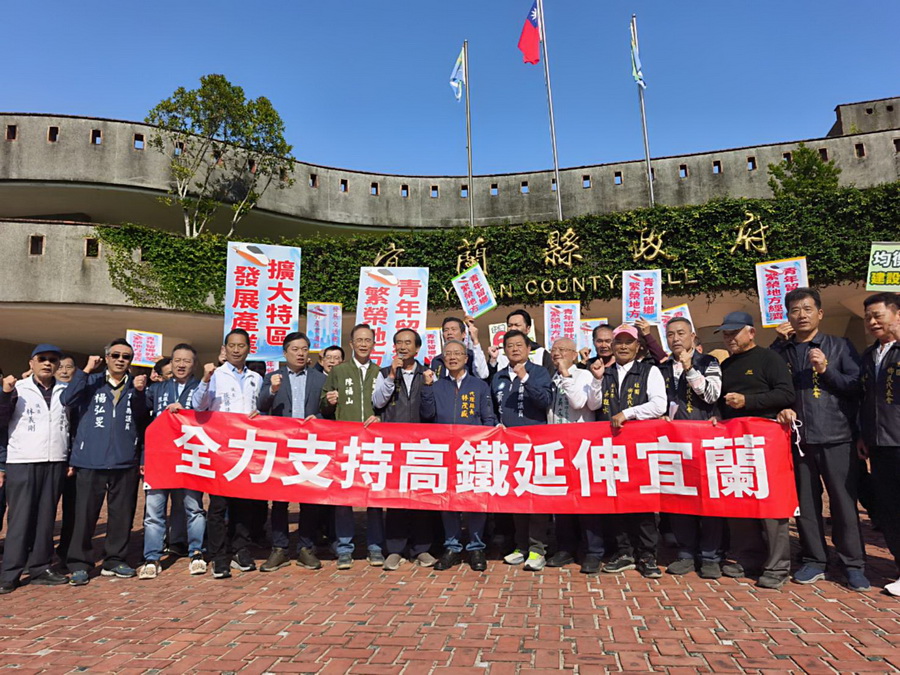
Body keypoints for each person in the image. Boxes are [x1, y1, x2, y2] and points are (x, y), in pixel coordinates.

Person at [771, 288, 868, 591]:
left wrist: (825, 370)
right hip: (798, 440)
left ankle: (853, 563)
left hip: (836, 435)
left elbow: (855, 386)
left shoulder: (840, 346)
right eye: (795, 310)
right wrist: (781, 408)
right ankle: (814, 559)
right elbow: (770, 386)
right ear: (788, 317)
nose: (801, 315)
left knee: (843, 503)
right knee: (806, 504)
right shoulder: (782, 351)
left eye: (807, 309)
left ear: (820, 313)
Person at [715, 311, 795, 590]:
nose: (729, 338)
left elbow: (786, 394)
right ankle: (747, 556)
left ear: (751, 332)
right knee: (739, 498)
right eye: (726, 334)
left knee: (771, 505)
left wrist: (747, 401)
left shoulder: (769, 358)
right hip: (735, 442)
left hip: (767, 442)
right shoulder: (727, 365)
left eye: (734, 333)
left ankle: (778, 566)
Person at [62, 339, 150, 585]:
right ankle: (79, 563)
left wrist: (140, 392)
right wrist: (85, 370)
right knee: (84, 515)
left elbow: (144, 419)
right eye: (116, 355)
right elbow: (67, 400)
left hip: (125, 460)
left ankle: (115, 559)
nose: (121, 360)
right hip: (90, 459)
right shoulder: (90, 382)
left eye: (126, 356)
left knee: (122, 515)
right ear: (107, 357)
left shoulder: (136, 385)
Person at [595, 324, 668, 578]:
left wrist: (629, 413)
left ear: (638, 347)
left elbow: (659, 404)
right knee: (616, 499)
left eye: (629, 342)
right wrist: (596, 379)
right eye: (619, 342)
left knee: (643, 500)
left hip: (640, 445)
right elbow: (592, 404)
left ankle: (647, 554)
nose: (623, 346)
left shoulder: (649, 371)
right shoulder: (604, 372)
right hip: (610, 445)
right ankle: (624, 552)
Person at [192, 329, 263, 579]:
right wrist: (204, 379)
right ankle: (218, 555)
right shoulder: (215, 375)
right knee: (218, 506)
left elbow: (259, 409)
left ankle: (239, 550)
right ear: (224, 348)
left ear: (248, 349)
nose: (236, 350)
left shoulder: (256, 378)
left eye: (241, 345)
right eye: (231, 345)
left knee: (244, 504)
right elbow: (198, 405)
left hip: (246, 448)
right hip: (220, 449)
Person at [421, 340, 498, 571]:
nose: (453, 357)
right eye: (448, 354)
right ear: (443, 359)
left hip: (473, 452)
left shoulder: (479, 386)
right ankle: (452, 547)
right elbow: (427, 415)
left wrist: (487, 441)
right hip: (445, 452)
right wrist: (427, 389)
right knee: (448, 501)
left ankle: (476, 547)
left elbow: (488, 418)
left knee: (475, 500)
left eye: (457, 354)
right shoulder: (437, 386)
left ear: (466, 358)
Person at [0, 345, 71, 593]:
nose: (47, 363)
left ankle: (41, 568)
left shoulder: (65, 391)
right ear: (31, 363)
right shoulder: (17, 389)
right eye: (42, 359)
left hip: (55, 460)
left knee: (46, 518)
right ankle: (10, 573)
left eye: (53, 360)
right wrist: (4, 393)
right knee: (20, 519)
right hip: (23, 460)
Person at [658, 318, 725, 579]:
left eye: (681, 333)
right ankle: (685, 553)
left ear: (693, 336)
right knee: (679, 497)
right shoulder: (662, 368)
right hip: (674, 441)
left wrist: (689, 368)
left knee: (709, 499)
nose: (675, 338)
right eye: (670, 334)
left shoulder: (708, 362)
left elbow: (711, 395)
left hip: (705, 440)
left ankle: (710, 555)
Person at [256, 332, 328, 572]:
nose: (300, 353)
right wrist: (272, 390)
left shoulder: (320, 379)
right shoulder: (272, 377)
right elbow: (261, 405)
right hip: (281, 446)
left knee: (309, 499)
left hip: (309, 445)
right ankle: (279, 548)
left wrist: (317, 418)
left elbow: (327, 411)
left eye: (304, 349)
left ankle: (306, 548)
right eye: (295, 349)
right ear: (285, 352)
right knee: (279, 499)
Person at [138, 343, 206, 579]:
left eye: (186, 361)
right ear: (171, 363)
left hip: (190, 457)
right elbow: (143, 421)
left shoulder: (202, 389)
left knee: (194, 508)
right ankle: (152, 557)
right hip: (159, 458)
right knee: (153, 511)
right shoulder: (157, 389)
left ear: (194, 364)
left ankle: (196, 552)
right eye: (177, 360)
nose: (181, 365)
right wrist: (139, 390)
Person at [372, 329, 436, 571]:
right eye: (399, 342)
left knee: (421, 497)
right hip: (394, 444)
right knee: (396, 498)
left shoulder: (428, 373)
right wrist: (391, 375)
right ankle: (395, 550)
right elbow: (378, 402)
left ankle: (422, 548)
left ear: (417, 348)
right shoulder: (384, 373)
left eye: (408, 343)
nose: (403, 347)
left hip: (422, 444)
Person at [321, 324, 384, 569]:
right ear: (351, 344)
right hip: (345, 442)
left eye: (368, 340)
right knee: (344, 496)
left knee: (374, 498)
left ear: (374, 344)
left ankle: (375, 547)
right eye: (359, 340)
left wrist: (380, 418)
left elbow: (389, 404)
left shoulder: (381, 372)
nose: (364, 344)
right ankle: (344, 548)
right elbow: (323, 405)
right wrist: (328, 401)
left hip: (374, 443)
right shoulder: (339, 371)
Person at [492, 329, 554, 571]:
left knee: (536, 497)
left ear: (529, 349)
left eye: (519, 345)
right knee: (516, 495)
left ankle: (538, 549)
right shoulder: (498, 377)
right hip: (508, 445)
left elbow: (545, 401)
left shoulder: (539, 372)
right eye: (510, 346)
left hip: (535, 444)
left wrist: (525, 378)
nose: (515, 349)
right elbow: (493, 408)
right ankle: (521, 545)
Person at [544, 338, 604, 574]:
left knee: (586, 501)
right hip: (556, 446)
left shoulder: (583, 375)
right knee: (562, 500)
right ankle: (565, 548)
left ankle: (593, 551)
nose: (557, 354)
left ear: (574, 354)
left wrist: (566, 375)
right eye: (554, 350)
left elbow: (580, 403)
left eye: (562, 350)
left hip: (581, 447)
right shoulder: (551, 378)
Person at [857, 292, 900, 596]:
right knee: (889, 509)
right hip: (879, 442)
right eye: (868, 317)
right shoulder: (870, 354)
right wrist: (863, 434)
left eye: (878, 316)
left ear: (897, 315)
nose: (872, 322)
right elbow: (864, 398)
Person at [489, 310, 554, 375]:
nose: (512, 328)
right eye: (509, 325)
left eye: (517, 325)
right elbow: (490, 378)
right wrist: (493, 360)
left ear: (528, 329)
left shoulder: (541, 353)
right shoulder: (498, 353)